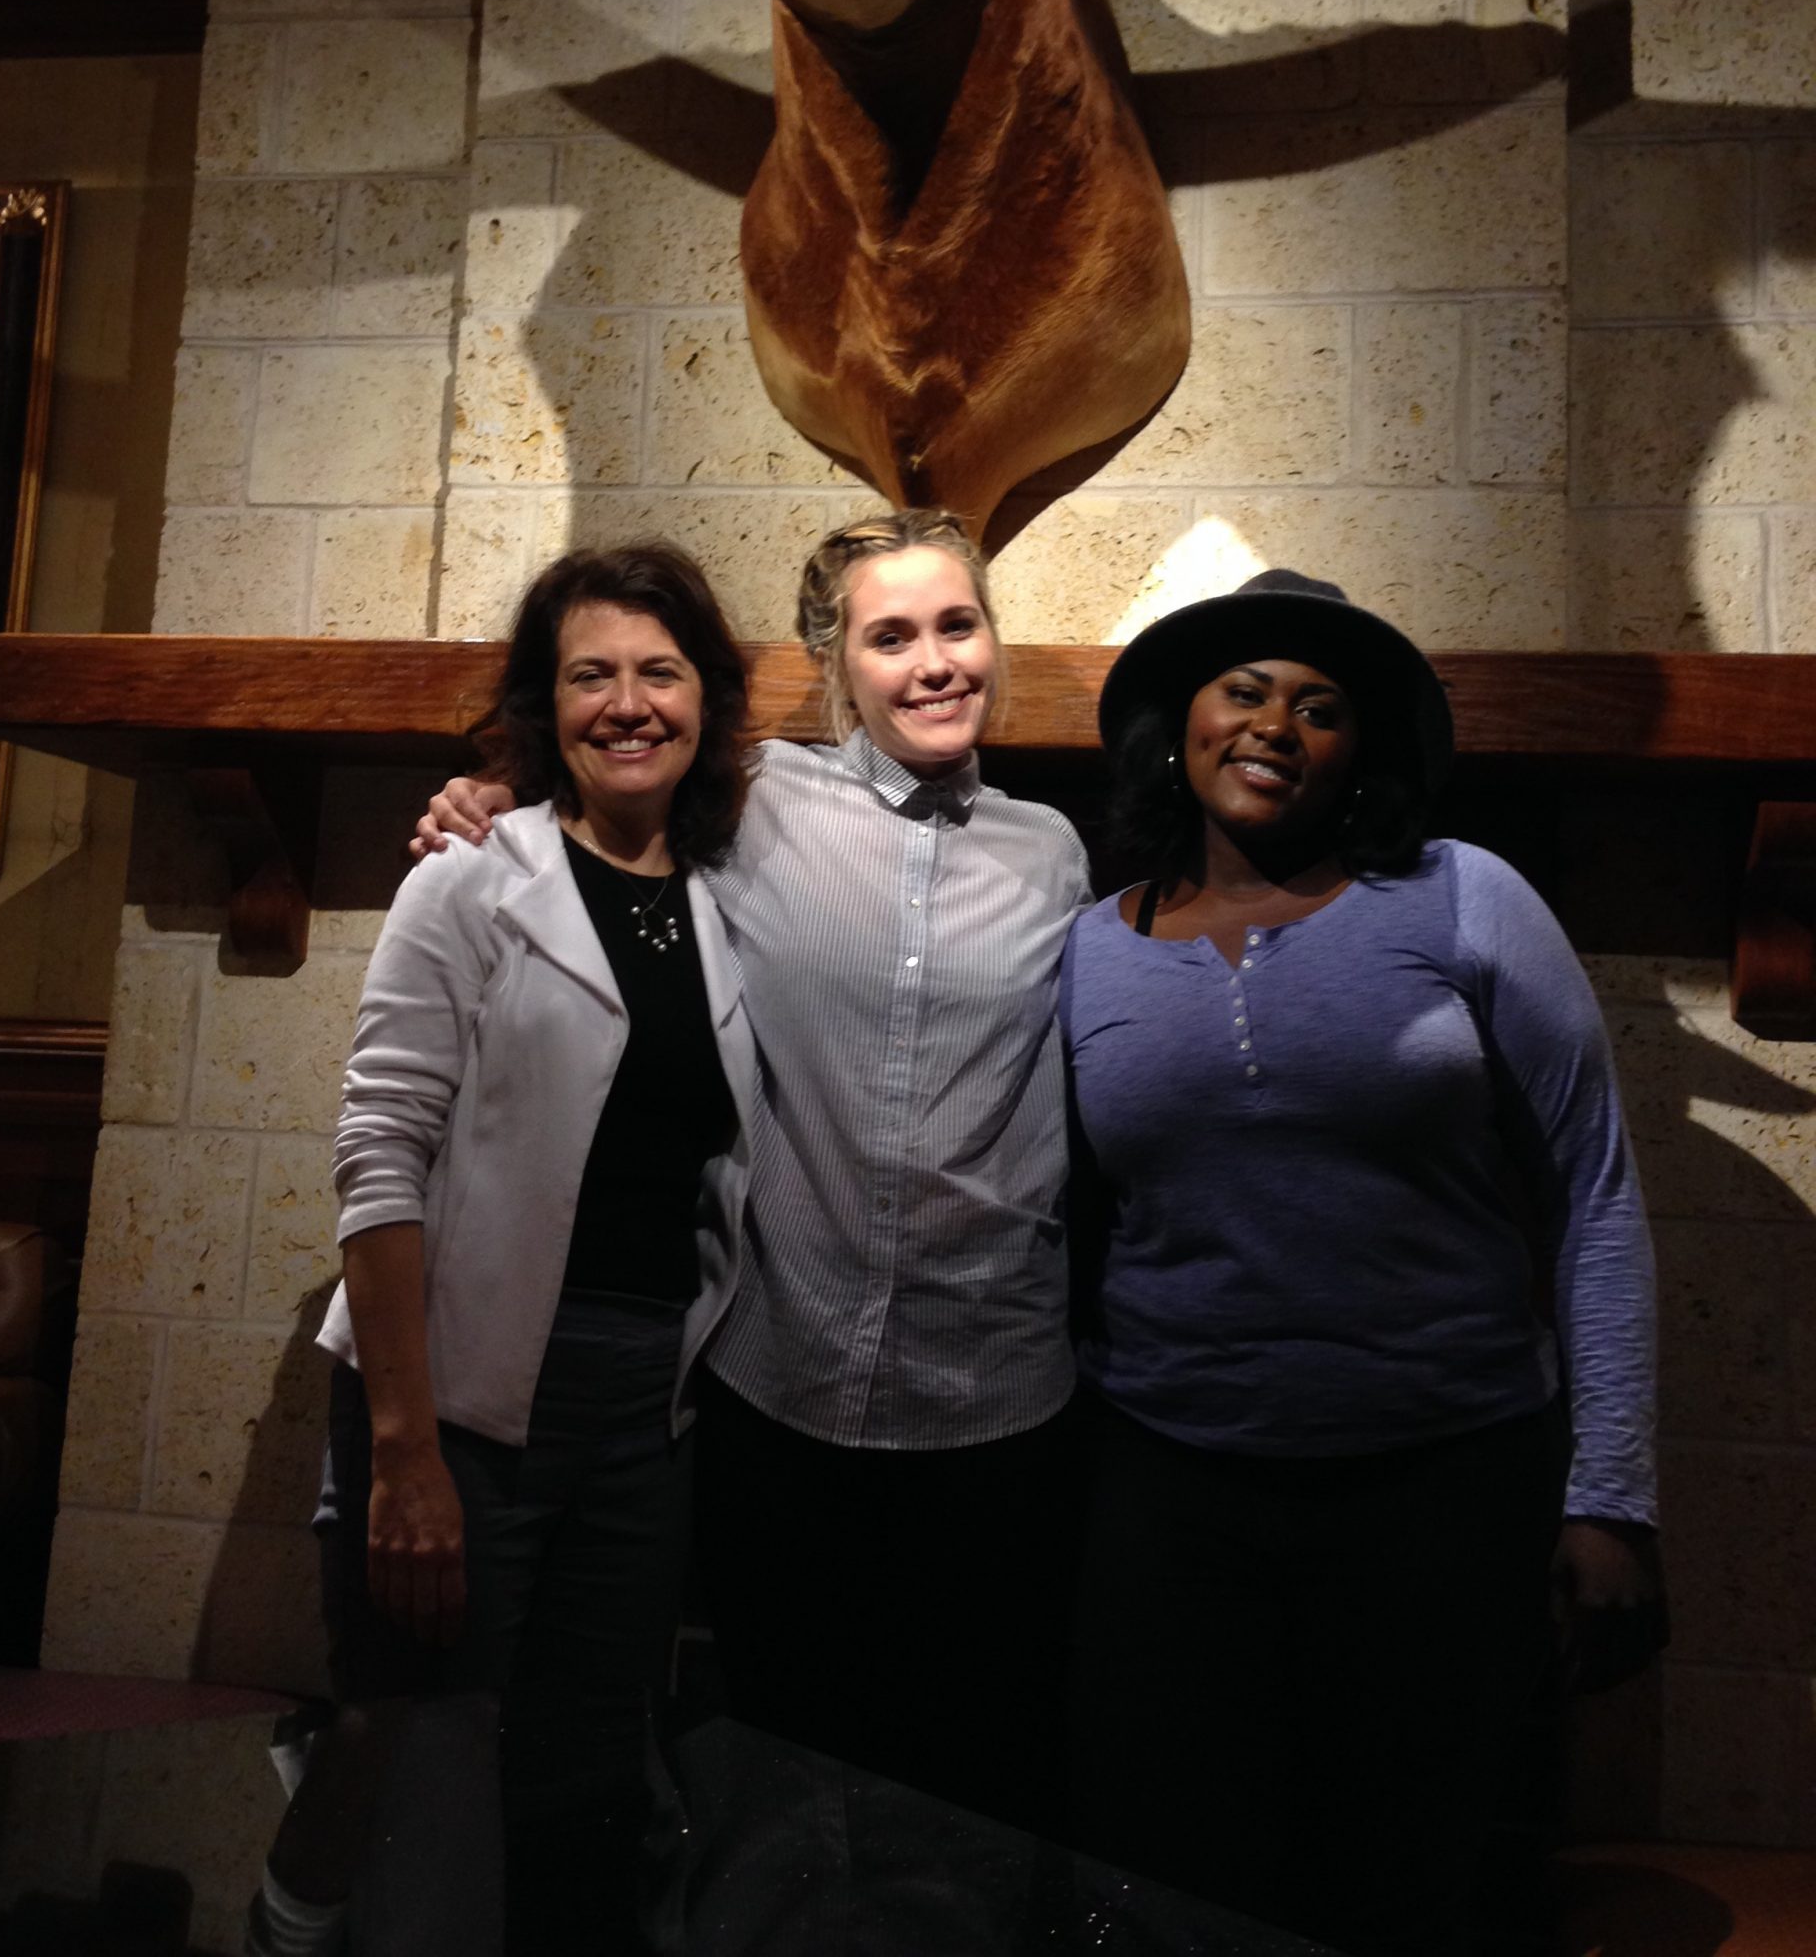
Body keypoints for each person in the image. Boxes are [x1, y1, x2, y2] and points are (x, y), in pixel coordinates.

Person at [415, 507, 1091, 1826]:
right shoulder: (755, 803)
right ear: (837, 664)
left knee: (974, 1782)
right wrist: (489, 798)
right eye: (890, 637)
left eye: (958, 625)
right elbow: (601, 821)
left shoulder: (1052, 851)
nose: (934, 661)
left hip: (995, 1401)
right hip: (778, 1389)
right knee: (781, 1765)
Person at [1060, 568, 1663, 1957]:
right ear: (1180, 725)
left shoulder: (1465, 899)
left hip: (1441, 1491)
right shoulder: (1089, 951)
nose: (1277, 724)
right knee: (1176, 1884)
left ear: (1363, 752)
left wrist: (1612, 1496)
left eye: (1323, 708)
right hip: (1170, 1492)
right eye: (1245, 690)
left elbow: (1595, 1191)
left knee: (1407, 1888)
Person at [246, 543, 760, 1957]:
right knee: (406, 1735)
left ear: (707, 699)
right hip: (458, 1401)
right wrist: (406, 1450)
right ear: (547, 704)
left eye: (660, 671)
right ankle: (290, 1934)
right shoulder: (472, 879)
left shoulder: (727, 905)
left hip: (643, 1406)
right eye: (590, 674)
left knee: (583, 1762)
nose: (628, 702)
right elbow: (378, 1159)